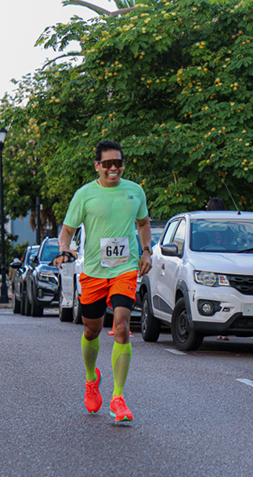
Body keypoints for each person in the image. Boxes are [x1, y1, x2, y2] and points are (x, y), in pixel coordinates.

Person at [53, 140, 152, 422]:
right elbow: (67, 231)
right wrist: (64, 248)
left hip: (125, 269)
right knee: (91, 331)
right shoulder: (84, 195)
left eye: (118, 163)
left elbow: (144, 223)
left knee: (121, 327)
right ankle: (90, 378)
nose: (113, 168)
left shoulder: (135, 191)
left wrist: (146, 250)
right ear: (97, 166)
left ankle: (118, 398)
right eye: (107, 164)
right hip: (95, 272)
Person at [205, 198, 230, 340]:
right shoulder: (228, 224)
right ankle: (223, 330)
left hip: (210, 259)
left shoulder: (206, 224)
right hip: (228, 259)